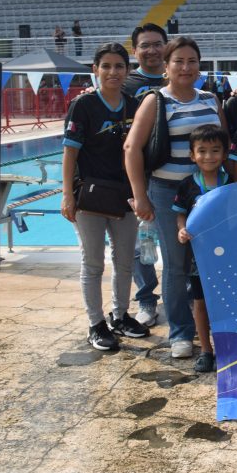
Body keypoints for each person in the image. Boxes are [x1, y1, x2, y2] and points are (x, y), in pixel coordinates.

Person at [124, 37, 227, 361]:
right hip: (169, 192)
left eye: (192, 61)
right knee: (177, 264)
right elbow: (131, 148)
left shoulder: (210, 99)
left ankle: (213, 326)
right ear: (166, 67)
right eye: (178, 61)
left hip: (208, 193)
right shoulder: (156, 101)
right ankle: (181, 332)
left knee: (214, 260)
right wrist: (140, 195)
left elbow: (225, 144)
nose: (185, 67)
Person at [60, 42, 149, 351]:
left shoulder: (134, 105)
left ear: (127, 70)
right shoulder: (83, 105)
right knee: (93, 263)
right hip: (90, 197)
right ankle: (95, 323)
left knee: (124, 261)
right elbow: (70, 153)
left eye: (119, 66)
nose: (113, 72)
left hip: (124, 195)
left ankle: (120, 316)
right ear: (95, 70)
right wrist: (67, 195)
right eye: (106, 66)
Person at [174, 124, 231, 373]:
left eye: (215, 150)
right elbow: (181, 215)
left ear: (225, 154)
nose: (209, 156)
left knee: (227, 302)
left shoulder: (231, 182)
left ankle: (228, 348)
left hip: (229, 254)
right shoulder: (187, 185)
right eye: (202, 151)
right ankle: (206, 351)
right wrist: (182, 230)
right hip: (199, 258)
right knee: (201, 303)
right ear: (192, 155)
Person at [122, 23, 169, 327]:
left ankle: (186, 297)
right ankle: (146, 299)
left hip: (174, 173)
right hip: (138, 173)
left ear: (166, 46)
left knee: (181, 239)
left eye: (157, 44)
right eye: (145, 45)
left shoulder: (180, 76)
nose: (152, 50)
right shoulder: (125, 85)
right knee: (141, 245)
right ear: (135, 50)